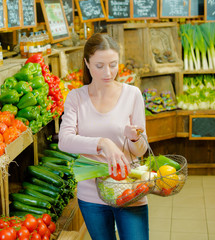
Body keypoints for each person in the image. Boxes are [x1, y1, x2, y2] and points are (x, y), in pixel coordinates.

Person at [58, 33, 149, 240]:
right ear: (87, 63)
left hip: (129, 188)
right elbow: (65, 140)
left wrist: (134, 138)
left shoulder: (132, 94)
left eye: (113, 64)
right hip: (91, 193)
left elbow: (141, 150)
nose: (108, 73)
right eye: (100, 66)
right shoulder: (76, 97)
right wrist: (102, 143)